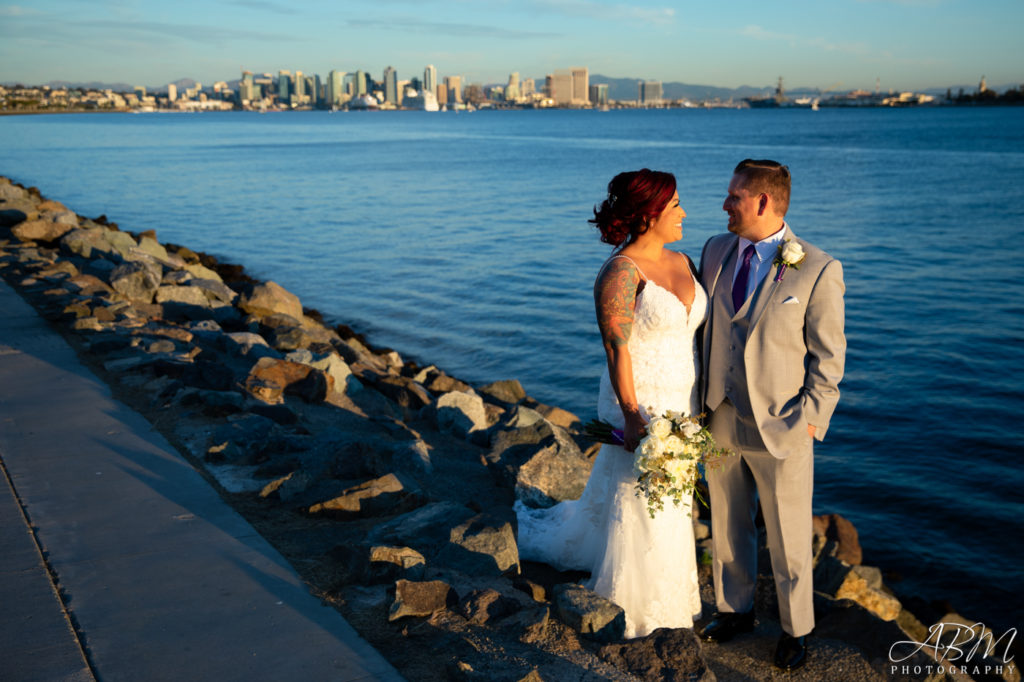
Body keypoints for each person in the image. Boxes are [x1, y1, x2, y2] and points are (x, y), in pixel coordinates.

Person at [515, 169, 706, 638]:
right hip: (641, 404)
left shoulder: (684, 261)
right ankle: (641, 608)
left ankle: (671, 590)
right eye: (676, 204)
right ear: (649, 213)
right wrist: (632, 415)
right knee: (641, 500)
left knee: (673, 500)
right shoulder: (621, 273)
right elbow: (617, 348)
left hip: (684, 399)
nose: (684, 212)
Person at [696, 159, 846, 670]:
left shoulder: (818, 268)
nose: (724, 205)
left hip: (782, 424)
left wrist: (810, 420)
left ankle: (795, 628)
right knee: (728, 520)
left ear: (763, 202)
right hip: (719, 413)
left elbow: (829, 359)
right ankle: (734, 610)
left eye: (733, 196)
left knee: (787, 533)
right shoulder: (715, 250)